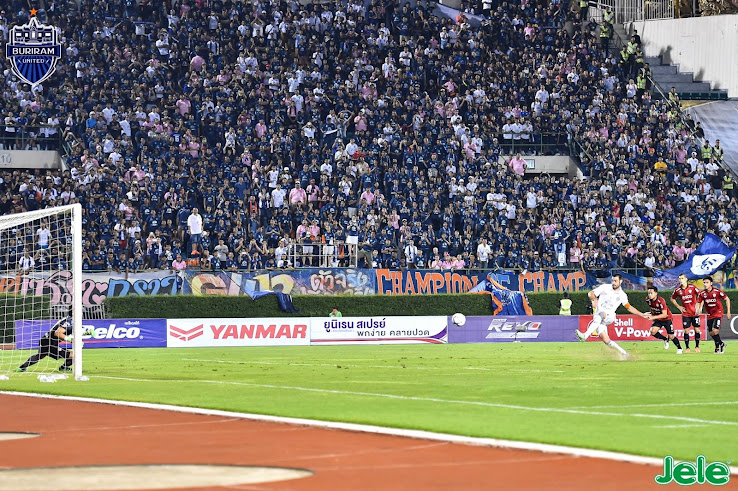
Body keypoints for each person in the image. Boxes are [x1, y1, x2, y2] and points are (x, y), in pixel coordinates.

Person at [576, 274, 650, 359]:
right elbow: (590, 293)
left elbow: (629, 307)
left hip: (609, 316)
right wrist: (594, 299)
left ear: (620, 281)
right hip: (599, 317)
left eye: (615, 281)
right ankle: (624, 353)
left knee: (601, 314)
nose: (614, 283)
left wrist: (642, 314)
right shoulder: (605, 287)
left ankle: (585, 336)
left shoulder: (622, 295)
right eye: (613, 281)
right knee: (605, 339)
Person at [16, 308, 86, 372]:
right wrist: (71, 340)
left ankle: (21, 368)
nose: (81, 314)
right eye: (80, 312)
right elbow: (57, 333)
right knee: (75, 355)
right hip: (50, 343)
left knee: (40, 355)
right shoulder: (70, 321)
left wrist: (84, 334)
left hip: (45, 340)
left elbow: (73, 332)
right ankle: (64, 367)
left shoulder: (69, 320)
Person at [696, 276, 731, 354]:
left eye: (707, 282)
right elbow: (698, 302)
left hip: (718, 313)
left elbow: (727, 299)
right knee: (711, 332)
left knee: (715, 330)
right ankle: (721, 344)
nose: (705, 284)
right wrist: (697, 309)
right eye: (704, 282)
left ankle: (717, 347)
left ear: (711, 283)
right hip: (709, 314)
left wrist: (728, 311)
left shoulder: (717, 291)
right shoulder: (702, 293)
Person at [670, 273, 702, 353]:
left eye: (682, 278)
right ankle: (687, 347)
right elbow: (672, 298)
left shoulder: (692, 287)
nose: (681, 280)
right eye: (679, 278)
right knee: (686, 330)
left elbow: (701, 296)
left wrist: (700, 307)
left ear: (686, 279)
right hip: (686, 314)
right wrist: (679, 307)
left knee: (697, 329)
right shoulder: (678, 290)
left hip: (695, 313)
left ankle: (697, 346)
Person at [646, 286, 682, 354]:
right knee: (653, 331)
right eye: (648, 293)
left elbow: (664, 314)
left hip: (667, 319)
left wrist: (653, 317)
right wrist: (650, 313)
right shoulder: (648, 300)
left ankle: (679, 348)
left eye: (651, 293)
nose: (649, 295)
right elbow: (652, 308)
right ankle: (665, 339)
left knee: (671, 336)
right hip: (658, 319)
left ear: (656, 293)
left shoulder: (661, 301)